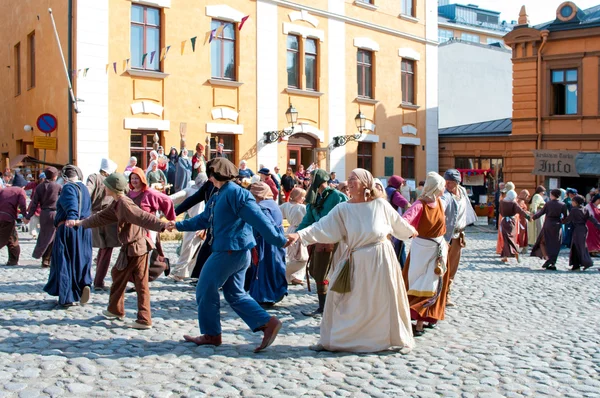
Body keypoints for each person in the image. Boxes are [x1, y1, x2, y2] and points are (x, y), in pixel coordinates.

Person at [285, 168, 417, 353]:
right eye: (349, 178)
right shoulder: (343, 209)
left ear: (365, 183)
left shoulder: (380, 205)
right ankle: (336, 339)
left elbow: (399, 225)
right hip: (354, 258)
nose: (350, 182)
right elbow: (321, 227)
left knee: (381, 300)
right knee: (341, 298)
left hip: (380, 258)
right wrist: (298, 235)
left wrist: (411, 232)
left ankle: (392, 338)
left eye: (354, 178)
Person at [170, 158, 286, 352]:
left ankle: (211, 334)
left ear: (214, 174)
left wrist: (279, 239)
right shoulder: (219, 193)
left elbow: (259, 219)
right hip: (232, 251)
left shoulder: (236, 194)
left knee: (204, 288)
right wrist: (178, 224)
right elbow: (205, 218)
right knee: (235, 293)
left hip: (231, 252)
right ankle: (268, 323)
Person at [74, 173, 169, 329]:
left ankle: (134, 316)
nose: (103, 187)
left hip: (135, 247)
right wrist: (81, 223)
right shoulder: (117, 203)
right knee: (130, 279)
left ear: (113, 188)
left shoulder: (124, 203)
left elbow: (142, 216)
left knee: (130, 279)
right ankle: (123, 312)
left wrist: (162, 225)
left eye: (106, 185)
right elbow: (101, 217)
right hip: (134, 247)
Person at [402, 172, 449, 336]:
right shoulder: (419, 205)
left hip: (438, 249)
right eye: (442, 185)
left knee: (435, 285)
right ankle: (416, 321)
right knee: (420, 285)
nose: (445, 188)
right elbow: (404, 221)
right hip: (422, 251)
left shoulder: (441, 202)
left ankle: (427, 317)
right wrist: (410, 231)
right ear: (436, 188)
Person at [297, 169, 348, 317]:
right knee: (315, 271)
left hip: (333, 239)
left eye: (312, 179)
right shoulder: (315, 198)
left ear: (318, 179)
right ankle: (325, 305)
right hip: (319, 237)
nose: (309, 182)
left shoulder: (337, 196)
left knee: (322, 272)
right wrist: (296, 235)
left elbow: (348, 214)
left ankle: (325, 307)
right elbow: (309, 219)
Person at [44, 165, 93, 307]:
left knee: (65, 260)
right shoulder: (84, 188)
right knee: (81, 259)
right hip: (84, 228)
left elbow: (71, 202)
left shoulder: (68, 188)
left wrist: (71, 216)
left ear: (65, 177)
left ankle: (68, 296)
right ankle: (83, 284)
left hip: (69, 228)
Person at [127, 167, 176, 281]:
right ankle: (159, 265)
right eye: (132, 178)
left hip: (148, 228)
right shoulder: (129, 194)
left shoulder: (150, 193)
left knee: (145, 255)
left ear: (142, 179)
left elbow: (166, 200)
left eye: (137, 178)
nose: (134, 181)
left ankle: (142, 280)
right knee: (134, 254)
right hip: (133, 229)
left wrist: (171, 218)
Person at [245, 182, 287, 305]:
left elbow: (269, 224)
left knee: (264, 268)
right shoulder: (273, 203)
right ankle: (275, 293)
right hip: (274, 240)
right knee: (275, 266)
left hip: (265, 241)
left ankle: (265, 296)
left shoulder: (262, 207)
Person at [439, 169, 476, 306]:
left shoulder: (463, 192)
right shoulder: (444, 194)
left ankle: (447, 294)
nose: (447, 185)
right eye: (446, 182)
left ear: (457, 183)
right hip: (445, 235)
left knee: (452, 268)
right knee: (441, 266)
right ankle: (439, 296)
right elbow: (442, 204)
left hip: (458, 235)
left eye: (450, 183)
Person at [86, 159, 121, 290]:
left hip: (95, 216)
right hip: (109, 217)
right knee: (106, 250)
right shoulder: (111, 180)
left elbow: (87, 192)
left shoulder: (93, 177)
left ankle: (97, 280)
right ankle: (99, 282)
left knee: (103, 249)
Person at [174, 177, 217, 281]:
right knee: (193, 251)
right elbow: (190, 200)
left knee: (202, 252)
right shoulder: (207, 186)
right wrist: (173, 214)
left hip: (212, 226)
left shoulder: (226, 189)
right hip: (200, 224)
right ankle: (190, 275)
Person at [169, 173, 208, 280]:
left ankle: (191, 273)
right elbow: (172, 198)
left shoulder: (208, 192)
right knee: (188, 250)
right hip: (193, 224)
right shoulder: (191, 190)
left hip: (204, 225)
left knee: (199, 252)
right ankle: (178, 273)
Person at [24, 167, 61, 268]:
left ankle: (46, 258)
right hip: (55, 213)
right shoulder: (58, 186)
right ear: (55, 176)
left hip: (43, 214)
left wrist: (28, 216)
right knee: (53, 237)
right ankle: (48, 259)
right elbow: (64, 201)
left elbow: (34, 203)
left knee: (44, 236)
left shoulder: (40, 187)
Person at [531, 189, 568, 270]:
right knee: (555, 244)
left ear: (553, 195)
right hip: (557, 225)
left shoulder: (548, 204)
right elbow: (566, 217)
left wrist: (533, 217)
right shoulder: (563, 204)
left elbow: (541, 213)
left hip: (548, 224)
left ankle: (548, 259)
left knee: (543, 242)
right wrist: (562, 222)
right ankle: (552, 262)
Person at [562, 195, 600, 271]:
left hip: (578, 230)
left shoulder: (574, 210)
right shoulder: (585, 209)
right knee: (578, 246)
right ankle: (576, 266)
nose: (571, 202)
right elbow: (593, 220)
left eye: (572, 201)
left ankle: (586, 263)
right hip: (584, 229)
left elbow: (568, 220)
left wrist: (559, 221)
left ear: (576, 202)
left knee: (578, 247)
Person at [279, 188, 308, 284]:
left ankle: (295, 277)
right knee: (302, 257)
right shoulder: (302, 207)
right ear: (297, 197)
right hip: (299, 231)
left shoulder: (285, 205)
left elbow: (278, 214)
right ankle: (286, 273)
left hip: (291, 230)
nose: (304, 198)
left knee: (293, 255)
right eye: (302, 196)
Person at [499, 189, 531, 263]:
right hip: (511, 222)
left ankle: (512, 254)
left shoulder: (502, 202)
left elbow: (500, 211)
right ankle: (509, 255)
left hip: (504, 221)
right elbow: (521, 211)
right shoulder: (514, 203)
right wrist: (528, 217)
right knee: (510, 238)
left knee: (507, 238)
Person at [386, 175, 411, 268]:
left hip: (386, 226)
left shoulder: (384, 191)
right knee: (399, 250)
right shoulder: (394, 193)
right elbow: (407, 205)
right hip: (394, 227)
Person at [0, 182, 27, 266]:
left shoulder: (5, 190)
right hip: (7, 218)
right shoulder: (20, 191)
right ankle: (13, 260)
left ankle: (13, 260)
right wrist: (25, 216)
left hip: (4, 216)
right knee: (5, 239)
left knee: (12, 238)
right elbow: (23, 204)